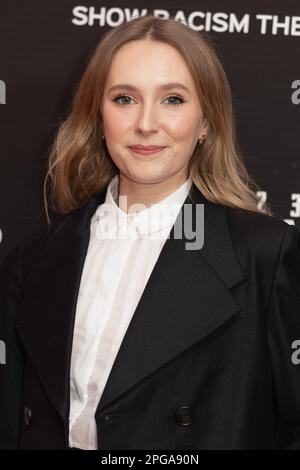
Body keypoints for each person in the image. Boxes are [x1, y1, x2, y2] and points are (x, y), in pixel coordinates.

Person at [0, 14, 300, 450]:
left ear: (207, 122)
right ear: (98, 115)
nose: (145, 123)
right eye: (124, 98)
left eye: (173, 100)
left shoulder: (265, 256)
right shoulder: (39, 257)